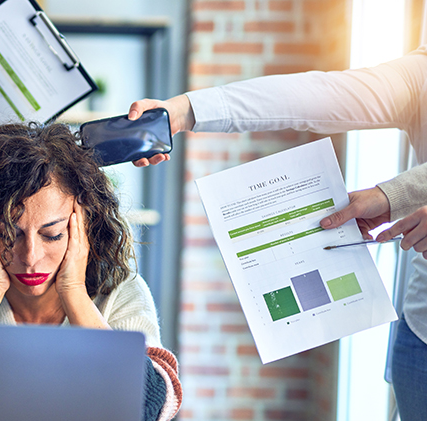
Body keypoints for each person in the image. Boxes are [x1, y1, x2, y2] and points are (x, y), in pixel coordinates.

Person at [128, 44, 427, 420]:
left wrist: (392, 195)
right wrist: (186, 111)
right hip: (422, 335)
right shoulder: (421, 74)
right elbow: (315, 96)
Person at [0, 123, 182, 421]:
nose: (30, 259)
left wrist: (74, 292)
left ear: (84, 227)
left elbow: (147, 408)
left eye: (52, 235)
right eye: (8, 235)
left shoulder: (118, 290)